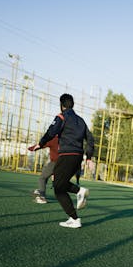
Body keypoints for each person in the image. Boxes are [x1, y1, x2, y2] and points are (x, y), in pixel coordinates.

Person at [32, 93, 94, 229]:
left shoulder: (61, 117)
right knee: (60, 184)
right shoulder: (81, 120)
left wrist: (40, 144)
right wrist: (89, 157)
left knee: (58, 189)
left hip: (66, 155)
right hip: (78, 157)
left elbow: (51, 132)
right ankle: (78, 198)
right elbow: (90, 139)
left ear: (62, 105)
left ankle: (75, 216)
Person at [29, 135, 59, 204]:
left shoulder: (54, 139)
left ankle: (42, 197)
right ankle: (40, 190)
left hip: (55, 162)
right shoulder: (67, 139)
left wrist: (31, 148)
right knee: (47, 177)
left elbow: (41, 145)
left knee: (42, 178)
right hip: (66, 163)